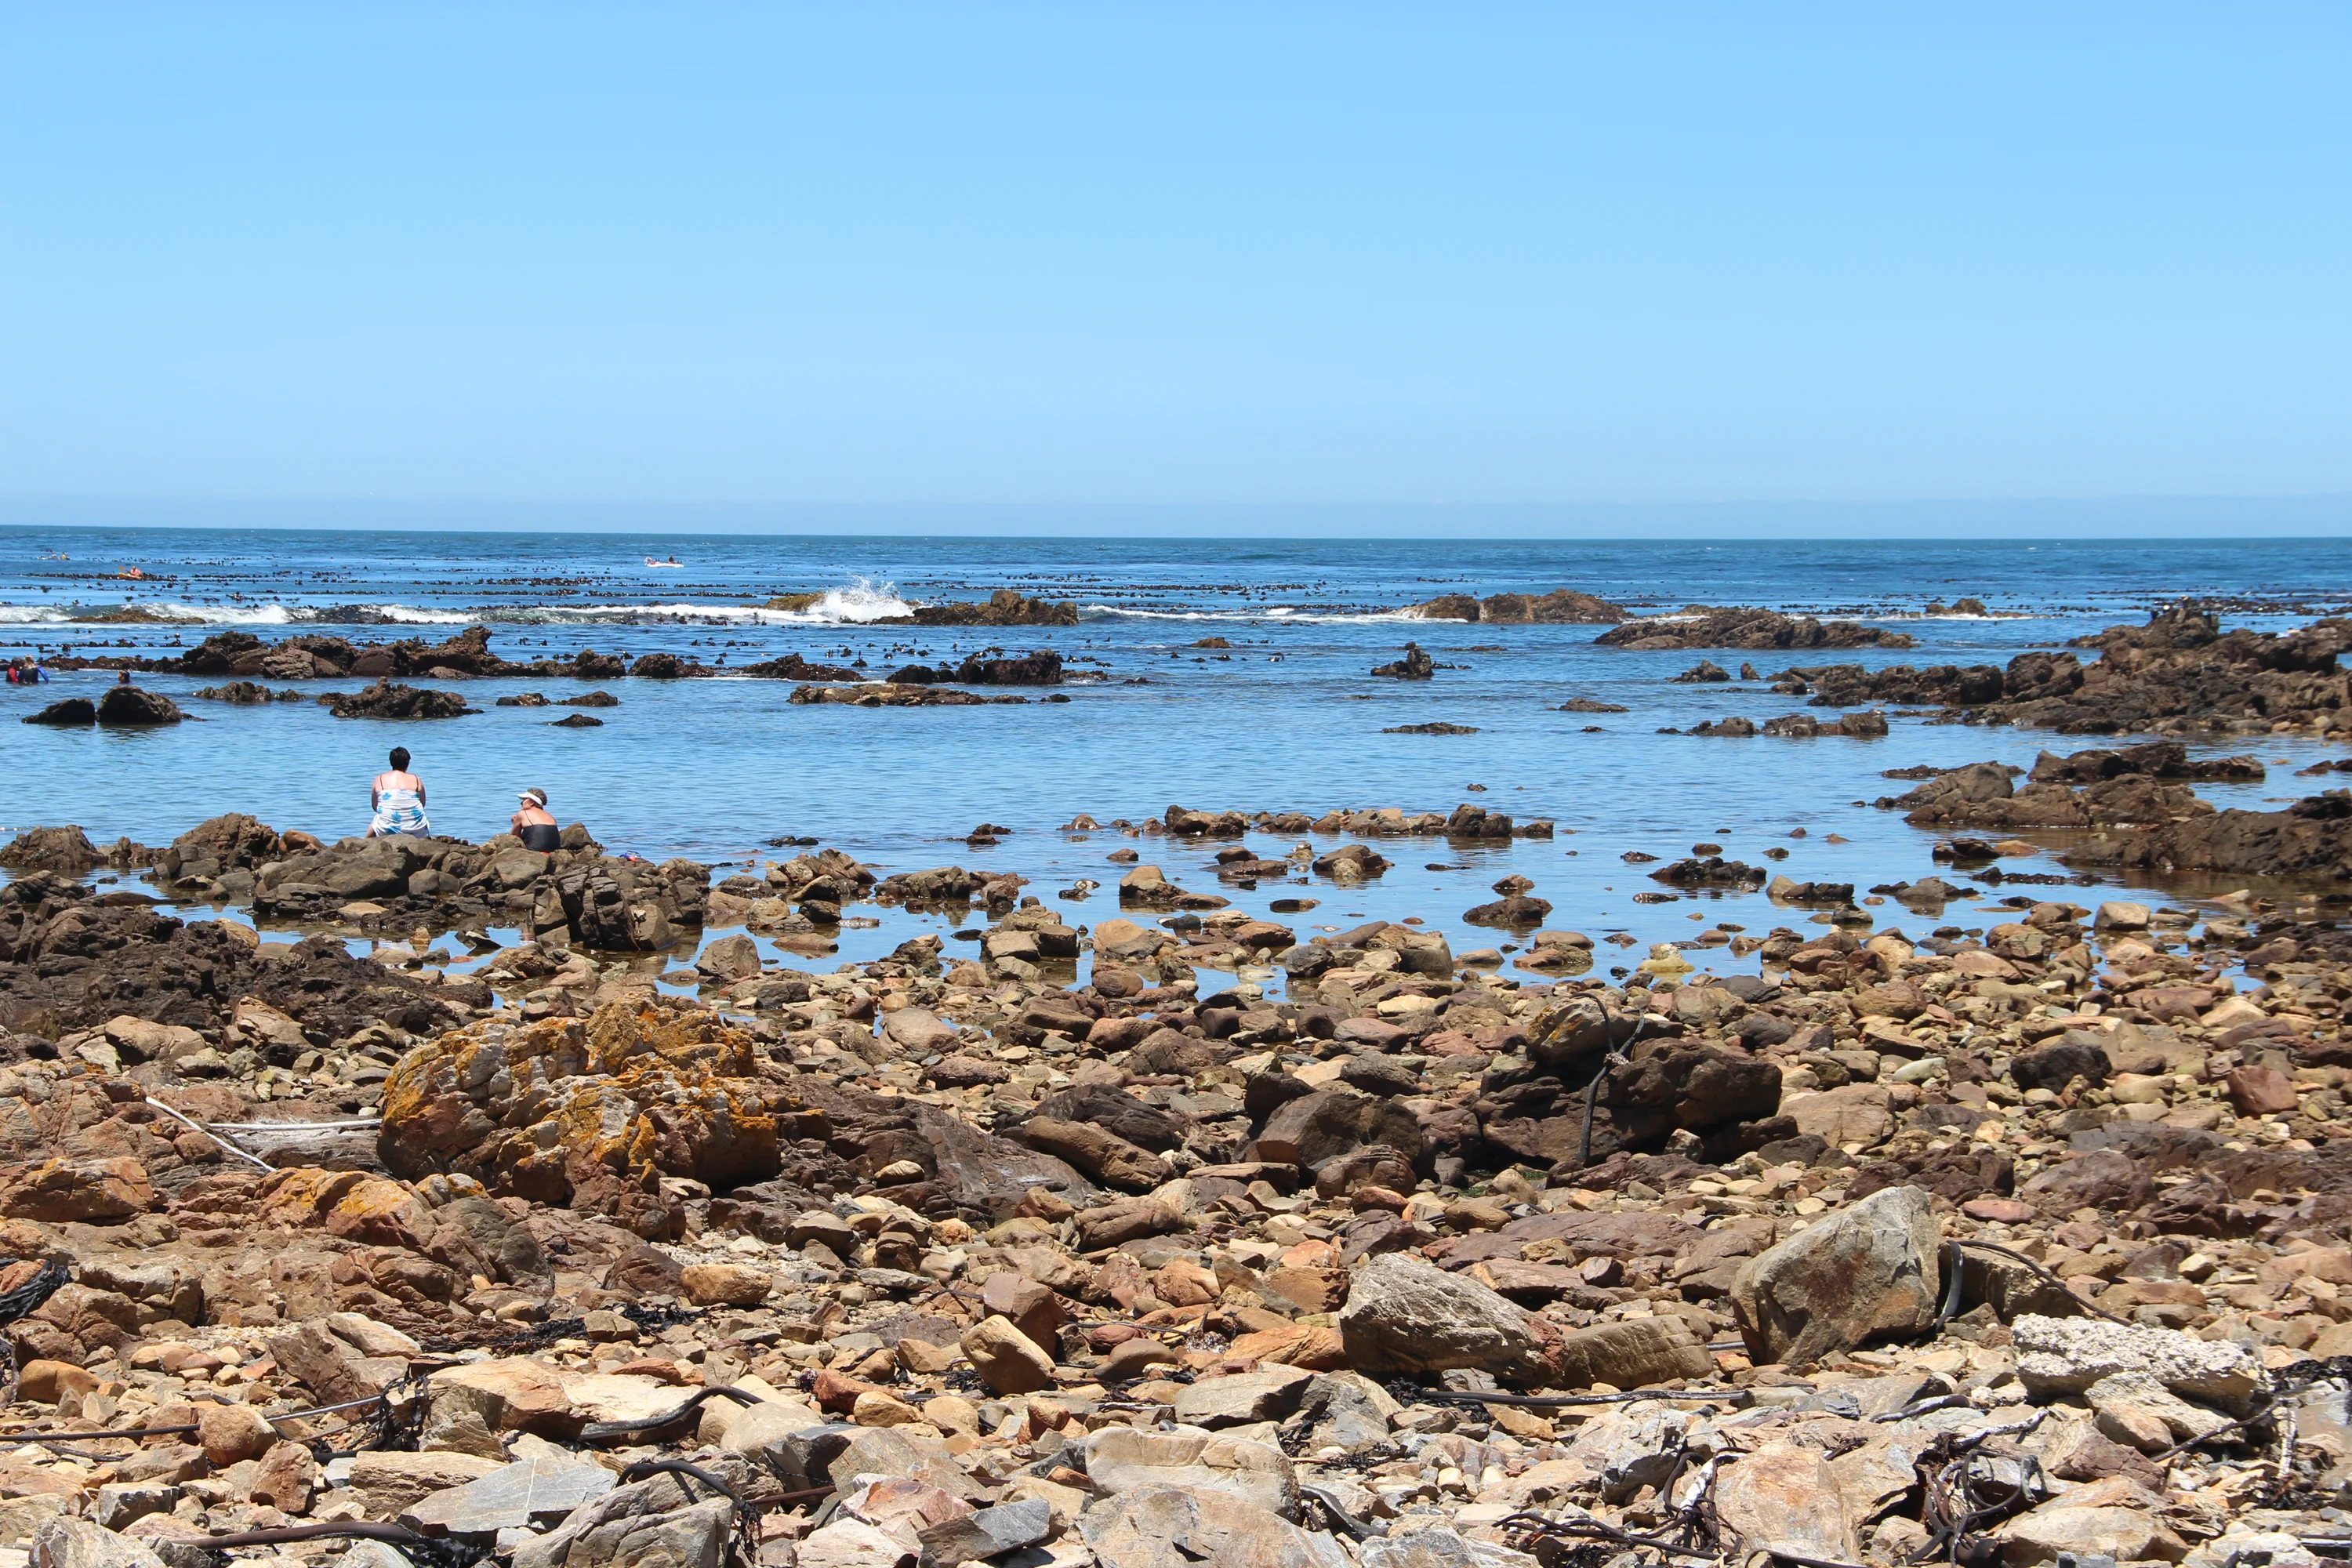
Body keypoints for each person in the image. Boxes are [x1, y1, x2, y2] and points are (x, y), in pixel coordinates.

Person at [369, 747, 430, 837]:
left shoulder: (380, 780)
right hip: (417, 829)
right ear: (407, 763)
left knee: (376, 821)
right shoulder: (416, 780)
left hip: (387, 829)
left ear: (391, 762)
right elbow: (422, 804)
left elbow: (376, 807)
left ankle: (363, 845)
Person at [510, 787, 561, 852]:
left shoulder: (522, 814)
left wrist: (515, 823)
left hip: (534, 852)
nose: (521, 803)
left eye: (524, 800)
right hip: (553, 851)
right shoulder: (550, 816)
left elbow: (514, 838)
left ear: (531, 802)